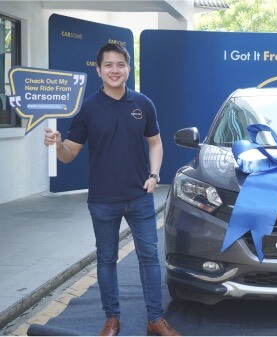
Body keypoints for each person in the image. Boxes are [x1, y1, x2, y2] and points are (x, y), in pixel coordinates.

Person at [44, 43, 180, 336]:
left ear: (128, 69)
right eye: (109, 65)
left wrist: (155, 174)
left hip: (140, 196)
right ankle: (112, 318)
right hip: (103, 200)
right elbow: (70, 154)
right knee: (106, 259)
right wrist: (57, 145)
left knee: (149, 258)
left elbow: (155, 142)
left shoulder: (143, 104)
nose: (114, 70)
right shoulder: (89, 108)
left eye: (120, 64)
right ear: (98, 70)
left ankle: (155, 319)